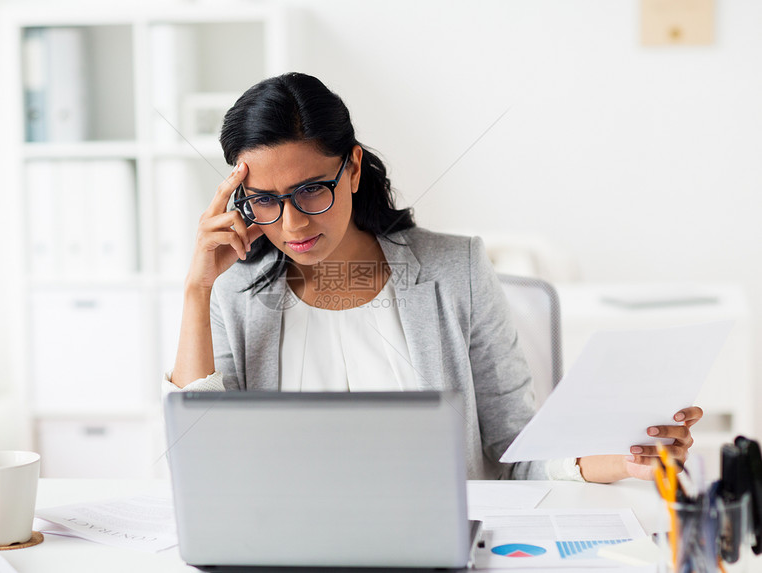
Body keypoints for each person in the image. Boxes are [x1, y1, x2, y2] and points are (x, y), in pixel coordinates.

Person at [165, 72, 702, 483]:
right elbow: (203, 468)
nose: (294, 222)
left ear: (351, 167)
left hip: (436, 547)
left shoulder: (457, 270)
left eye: (311, 189)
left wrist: (624, 461)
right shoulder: (235, 295)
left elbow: (516, 453)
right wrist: (197, 290)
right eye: (265, 200)